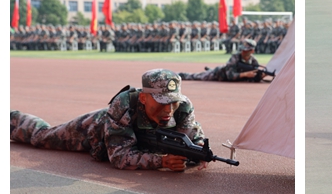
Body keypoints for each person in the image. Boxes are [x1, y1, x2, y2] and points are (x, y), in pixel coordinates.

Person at [10, 69, 206, 171]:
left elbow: (191, 136)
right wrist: (162, 161)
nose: (169, 109)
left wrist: (197, 151)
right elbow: (119, 157)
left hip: (135, 139)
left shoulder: (183, 107)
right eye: (162, 102)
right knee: (43, 137)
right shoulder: (124, 105)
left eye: (173, 102)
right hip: (95, 129)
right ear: (143, 98)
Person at [178, 39, 271, 82]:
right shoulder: (235, 57)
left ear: (252, 51)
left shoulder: (254, 62)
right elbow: (230, 76)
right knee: (195, 76)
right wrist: (245, 74)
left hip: (227, 75)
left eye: (246, 50)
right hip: (218, 74)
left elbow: (253, 79)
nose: (243, 51)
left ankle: (209, 69)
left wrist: (260, 76)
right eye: (242, 49)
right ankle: (180, 75)